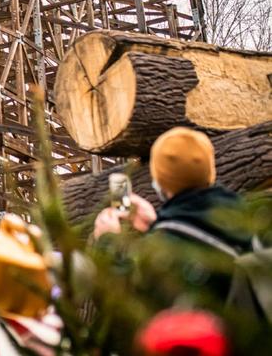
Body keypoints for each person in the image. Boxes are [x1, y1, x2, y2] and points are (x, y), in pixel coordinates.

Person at [93, 127, 256, 309]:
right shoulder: (247, 218)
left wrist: (107, 242)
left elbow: (125, 305)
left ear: (160, 181)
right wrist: (156, 224)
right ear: (210, 172)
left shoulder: (163, 250)